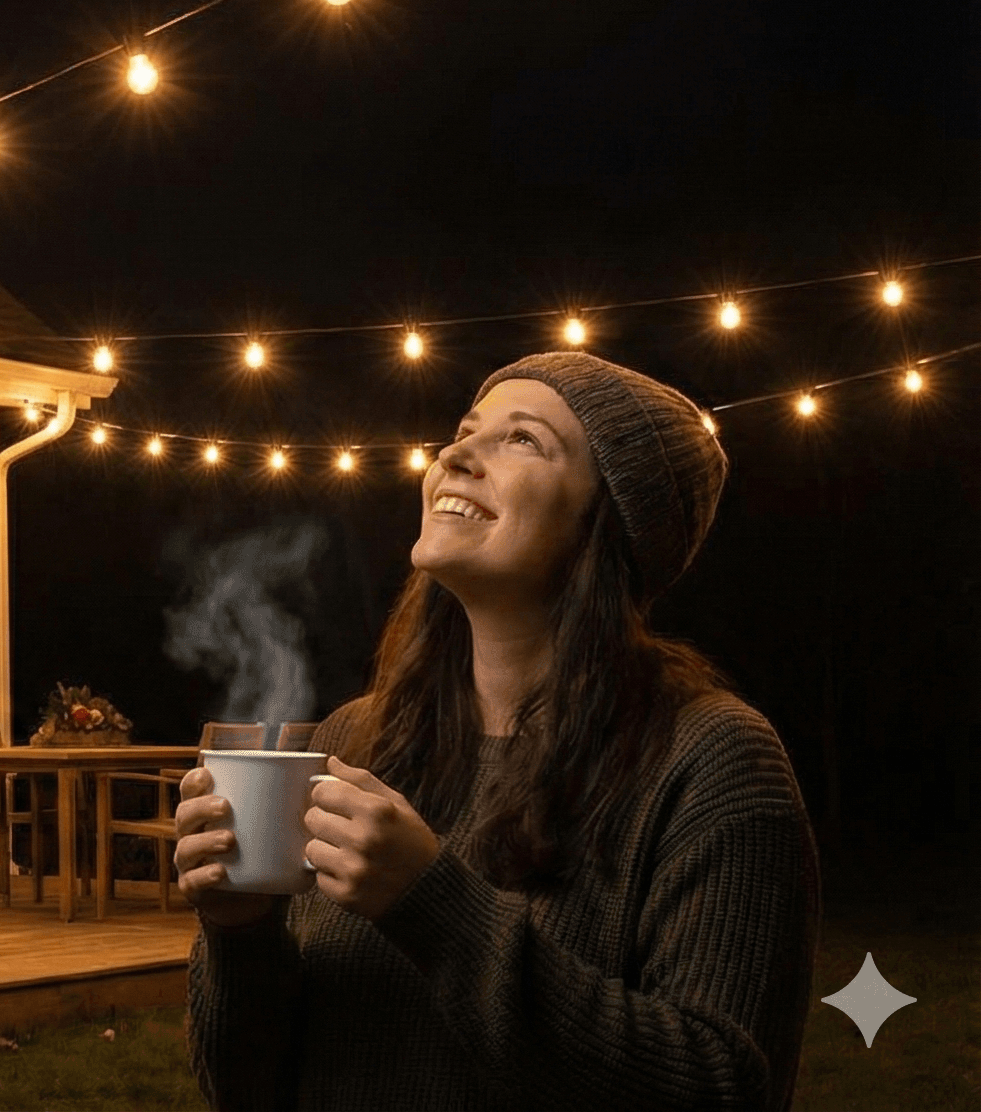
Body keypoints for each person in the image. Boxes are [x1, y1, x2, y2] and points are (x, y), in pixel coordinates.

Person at [174, 352, 820, 1110]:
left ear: (607, 521)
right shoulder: (359, 738)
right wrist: (238, 933)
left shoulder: (713, 762)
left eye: (522, 440)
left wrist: (432, 904)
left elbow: (722, 1087)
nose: (454, 456)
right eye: (462, 432)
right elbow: (246, 1087)